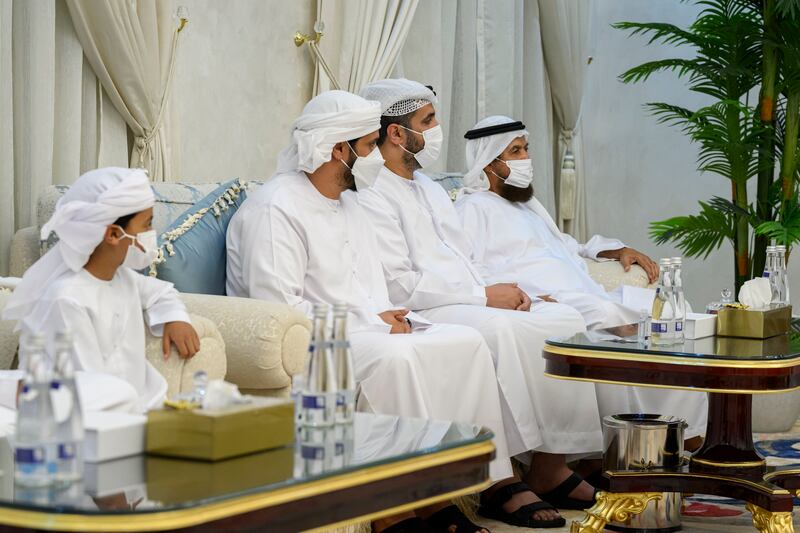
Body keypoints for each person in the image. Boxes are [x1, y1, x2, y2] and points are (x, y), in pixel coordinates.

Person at [226, 90, 517, 532]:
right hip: (305, 345)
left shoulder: (350, 203)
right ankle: (394, 510)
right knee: (395, 360)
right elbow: (277, 311)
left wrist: (392, 316)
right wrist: (371, 320)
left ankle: (452, 491)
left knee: (465, 342)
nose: (376, 159)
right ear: (337, 150)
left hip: (360, 330)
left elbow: (373, 290)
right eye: (366, 147)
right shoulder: (276, 207)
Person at [357, 78, 604, 528]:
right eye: (428, 121)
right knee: (502, 330)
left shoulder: (430, 188)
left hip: (466, 296)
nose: (438, 129)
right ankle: (498, 479)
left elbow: (467, 260)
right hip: (427, 305)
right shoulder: (372, 192)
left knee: (562, 318)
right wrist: (483, 297)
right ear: (396, 133)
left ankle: (550, 464)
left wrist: (506, 288)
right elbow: (400, 284)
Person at [455, 114, 707, 445]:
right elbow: (471, 269)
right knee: (617, 321)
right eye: (515, 151)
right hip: (549, 301)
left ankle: (692, 434)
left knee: (677, 312)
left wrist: (614, 251)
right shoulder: (472, 208)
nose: (526, 159)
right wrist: (530, 297)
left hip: (586, 292)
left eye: (526, 149)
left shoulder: (527, 205)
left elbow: (567, 246)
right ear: (490, 163)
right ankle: (643, 440)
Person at [1, 167, 200, 414]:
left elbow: (162, 292)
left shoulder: (122, 277)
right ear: (114, 234)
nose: (152, 234)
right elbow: (91, 383)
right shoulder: (67, 298)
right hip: (87, 413)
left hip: (127, 407)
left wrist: (176, 318)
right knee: (120, 392)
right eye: (147, 225)